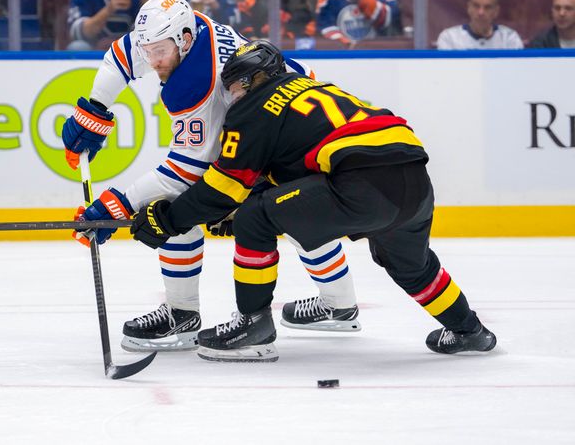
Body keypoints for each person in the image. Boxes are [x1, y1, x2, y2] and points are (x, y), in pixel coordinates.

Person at [129, 40, 498, 362]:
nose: (234, 95)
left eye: (238, 85)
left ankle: (253, 326)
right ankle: (470, 331)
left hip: (360, 183)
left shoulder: (254, 106)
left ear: (257, 78)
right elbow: (298, 173)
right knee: (412, 266)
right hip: (413, 179)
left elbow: (225, 186)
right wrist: (245, 200)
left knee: (254, 220)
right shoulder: (313, 89)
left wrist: (170, 219)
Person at [62, 0, 363, 353]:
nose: (151, 61)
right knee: (284, 213)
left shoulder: (198, 82)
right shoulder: (184, 27)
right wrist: (96, 107)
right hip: (284, 120)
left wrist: (117, 204)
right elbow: (122, 56)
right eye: (148, 50)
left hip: (293, 136)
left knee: (180, 209)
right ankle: (339, 303)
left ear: (184, 40)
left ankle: (184, 313)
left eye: (159, 51)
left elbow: (187, 172)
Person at [436, 0, 523, 49]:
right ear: (468, 7)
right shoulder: (450, 38)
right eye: (476, 6)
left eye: (487, 7)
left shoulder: (509, 38)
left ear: (496, 11)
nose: (481, 12)